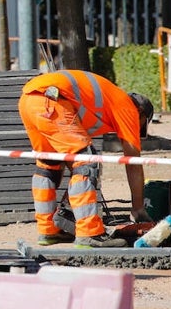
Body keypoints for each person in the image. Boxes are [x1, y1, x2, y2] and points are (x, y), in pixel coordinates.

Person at [18, 70, 154, 248]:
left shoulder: (106, 100)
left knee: (48, 165)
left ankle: (48, 230)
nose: (136, 129)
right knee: (86, 163)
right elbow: (133, 161)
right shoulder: (128, 107)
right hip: (52, 102)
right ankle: (89, 233)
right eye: (141, 124)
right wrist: (138, 209)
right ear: (141, 112)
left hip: (29, 100)